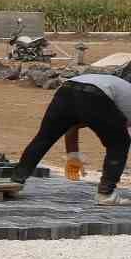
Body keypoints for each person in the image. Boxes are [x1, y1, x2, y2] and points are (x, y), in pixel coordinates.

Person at [11, 71, 131, 206]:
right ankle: (106, 194)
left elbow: (72, 126)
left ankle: (15, 182)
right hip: (95, 94)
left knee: (45, 137)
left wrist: (73, 156)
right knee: (119, 143)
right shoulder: (123, 100)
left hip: (67, 89)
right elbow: (117, 131)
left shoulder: (121, 95)